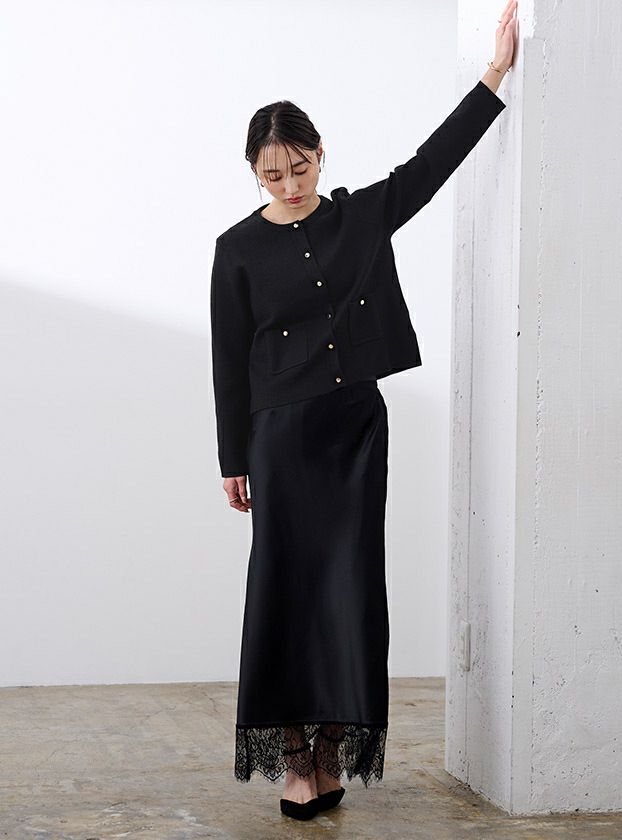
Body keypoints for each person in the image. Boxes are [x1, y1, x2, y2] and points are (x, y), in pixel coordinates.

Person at [210, 1, 517, 821]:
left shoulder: (359, 217)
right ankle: (293, 763)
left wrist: (494, 72)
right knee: (284, 589)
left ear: (320, 153)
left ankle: (330, 756)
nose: (290, 186)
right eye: (272, 176)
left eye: (299, 167)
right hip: (277, 438)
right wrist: (232, 457)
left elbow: (432, 164)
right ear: (254, 173)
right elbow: (228, 359)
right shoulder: (236, 249)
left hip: (354, 432)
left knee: (348, 590)